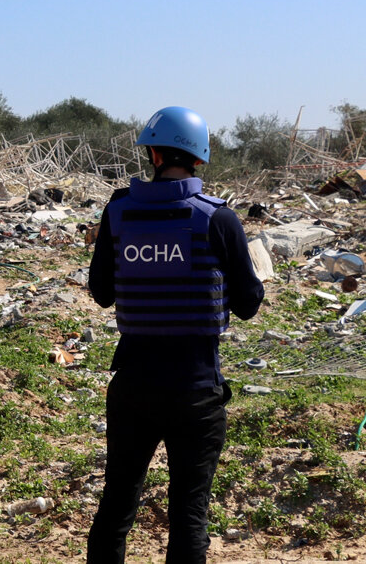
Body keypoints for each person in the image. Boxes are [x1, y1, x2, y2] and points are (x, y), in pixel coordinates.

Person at [85, 106, 266, 564]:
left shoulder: (119, 212)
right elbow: (248, 304)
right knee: (189, 512)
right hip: (195, 389)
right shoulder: (217, 219)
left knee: (117, 504)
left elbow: (102, 294)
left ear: (153, 154)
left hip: (133, 387)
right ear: (199, 159)